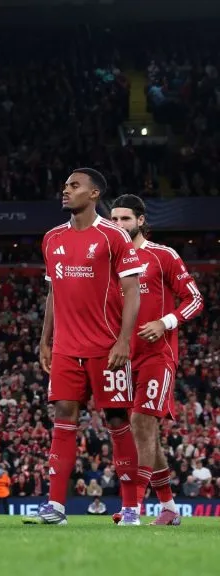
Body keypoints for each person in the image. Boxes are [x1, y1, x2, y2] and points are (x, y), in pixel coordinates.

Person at [25, 168, 142, 526]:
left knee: (117, 419)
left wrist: (124, 340)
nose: (66, 190)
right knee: (63, 416)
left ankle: (132, 508)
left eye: (74, 186)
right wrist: (45, 340)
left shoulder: (113, 236)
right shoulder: (51, 238)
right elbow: (52, 293)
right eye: (65, 185)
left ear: (94, 194)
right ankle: (55, 507)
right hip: (65, 348)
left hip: (107, 348)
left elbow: (133, 290)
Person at [110, 194, 202, 526]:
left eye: (125, 219)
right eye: (114, 219)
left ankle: (132, 508)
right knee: (147, 434)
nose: (119, 225)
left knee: (141, 425)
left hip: (157, 355)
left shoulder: (162, 256)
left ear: (141, 221)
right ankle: (169, 508)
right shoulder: (109, 260)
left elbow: (194, 299)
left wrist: (165, 322)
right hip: (121, 358)